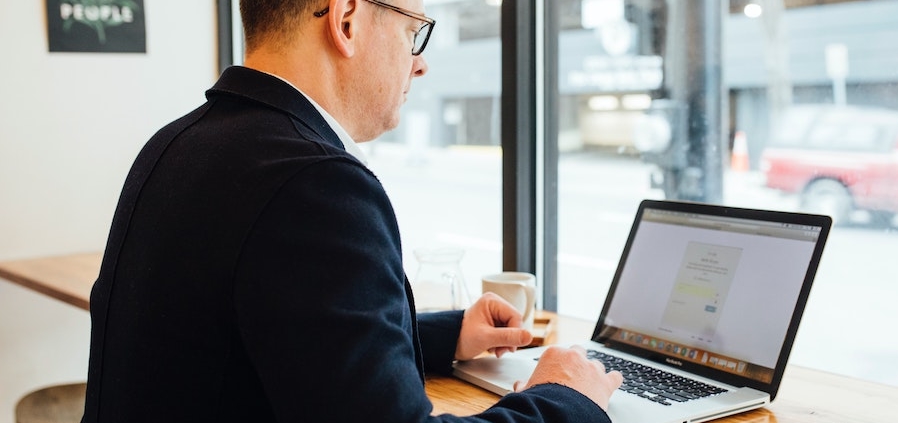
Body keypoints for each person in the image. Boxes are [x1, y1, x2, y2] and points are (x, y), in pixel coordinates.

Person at [81, 0, 622, 422]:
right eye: (414, 32)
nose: (422, 63)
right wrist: (565, 398)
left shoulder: (177, 144)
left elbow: (267, 330)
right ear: (346, 20)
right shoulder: (314, 182)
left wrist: (443, 334)